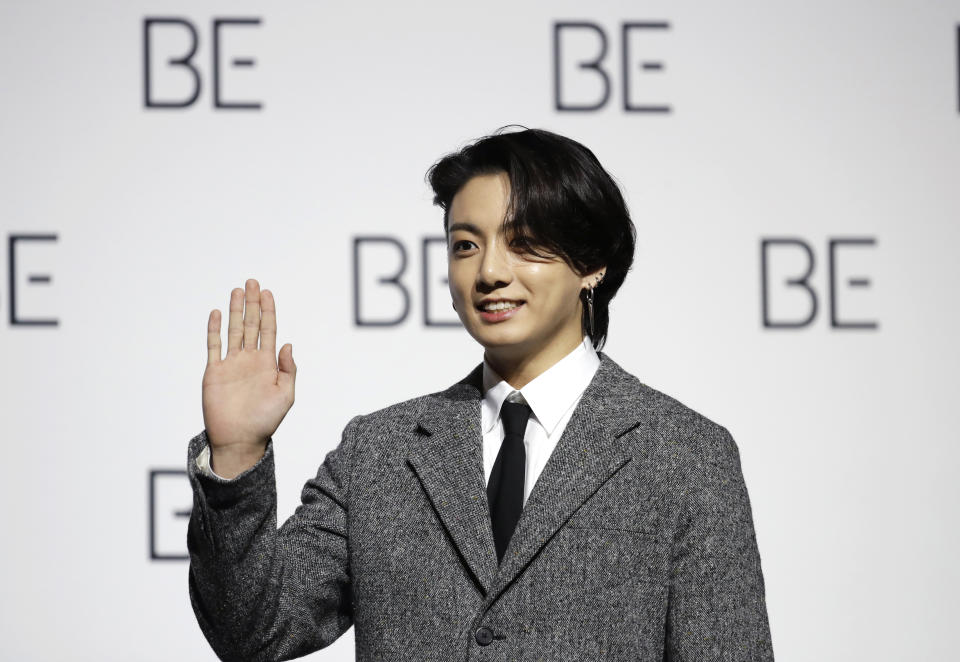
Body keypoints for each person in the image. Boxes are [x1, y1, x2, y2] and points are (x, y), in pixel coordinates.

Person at [187, 126, 775, 661]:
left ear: (592, 262)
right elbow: (255, 630)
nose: (489, 272)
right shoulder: (380, 452)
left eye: (523, 243)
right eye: (466, 245)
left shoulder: (685, 456)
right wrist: (236, 455)